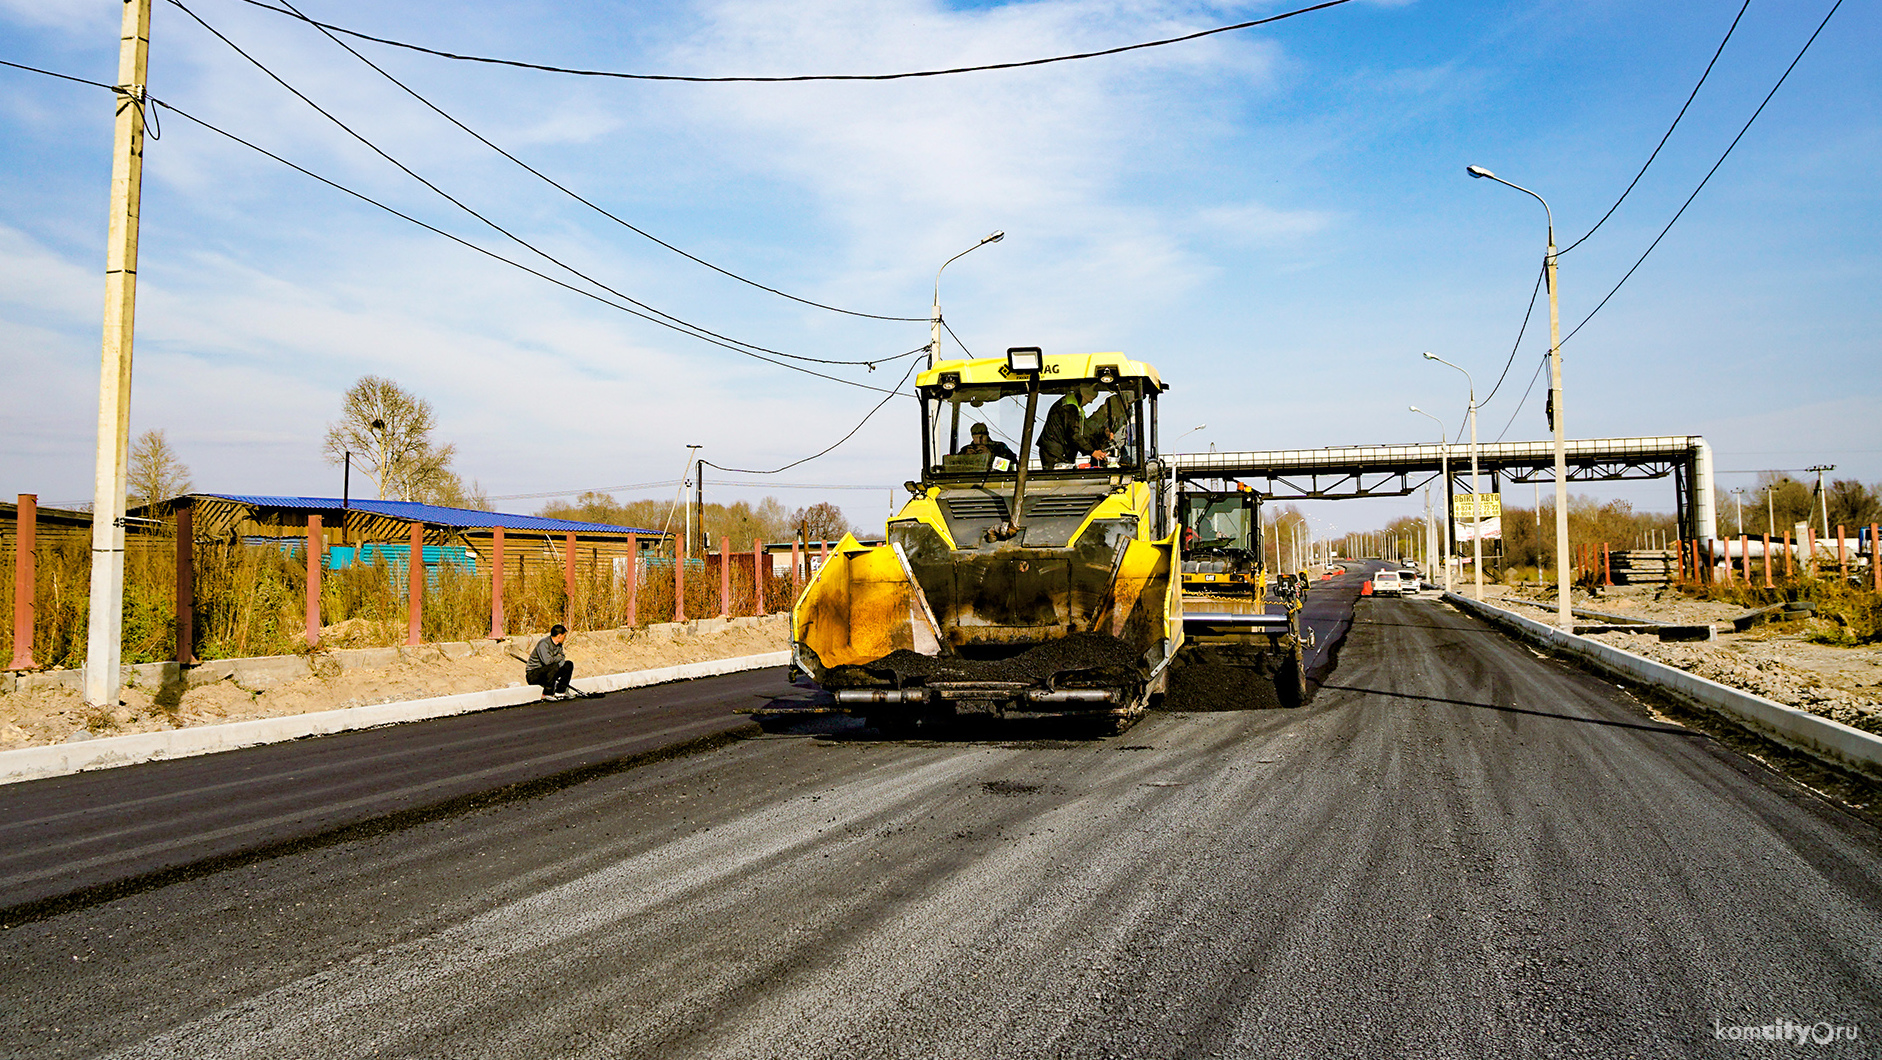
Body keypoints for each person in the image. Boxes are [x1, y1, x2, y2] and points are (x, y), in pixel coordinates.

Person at [1037, 384, 1109, 468]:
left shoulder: (1073, 406)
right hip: (1055, 453)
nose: (1090, 402)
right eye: (1090, 399)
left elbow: (1085, 432)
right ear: (1083, 395)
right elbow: (1074, 435)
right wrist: (1092, 452)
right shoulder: (1070, 408)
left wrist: (1103, 435)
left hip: (1056, 451)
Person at [527, 623, 585, 698]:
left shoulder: (559, 645)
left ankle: (561, 691)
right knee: (553, 666)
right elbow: (547, 661)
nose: (565, 638)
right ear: (559, 636)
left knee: (568, 664)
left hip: (551, 671)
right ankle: (547, 693)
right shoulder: (543, 644)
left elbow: (562, 657)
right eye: (564, 636)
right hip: (534, 674)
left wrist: (558, 663)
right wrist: (557, 658)